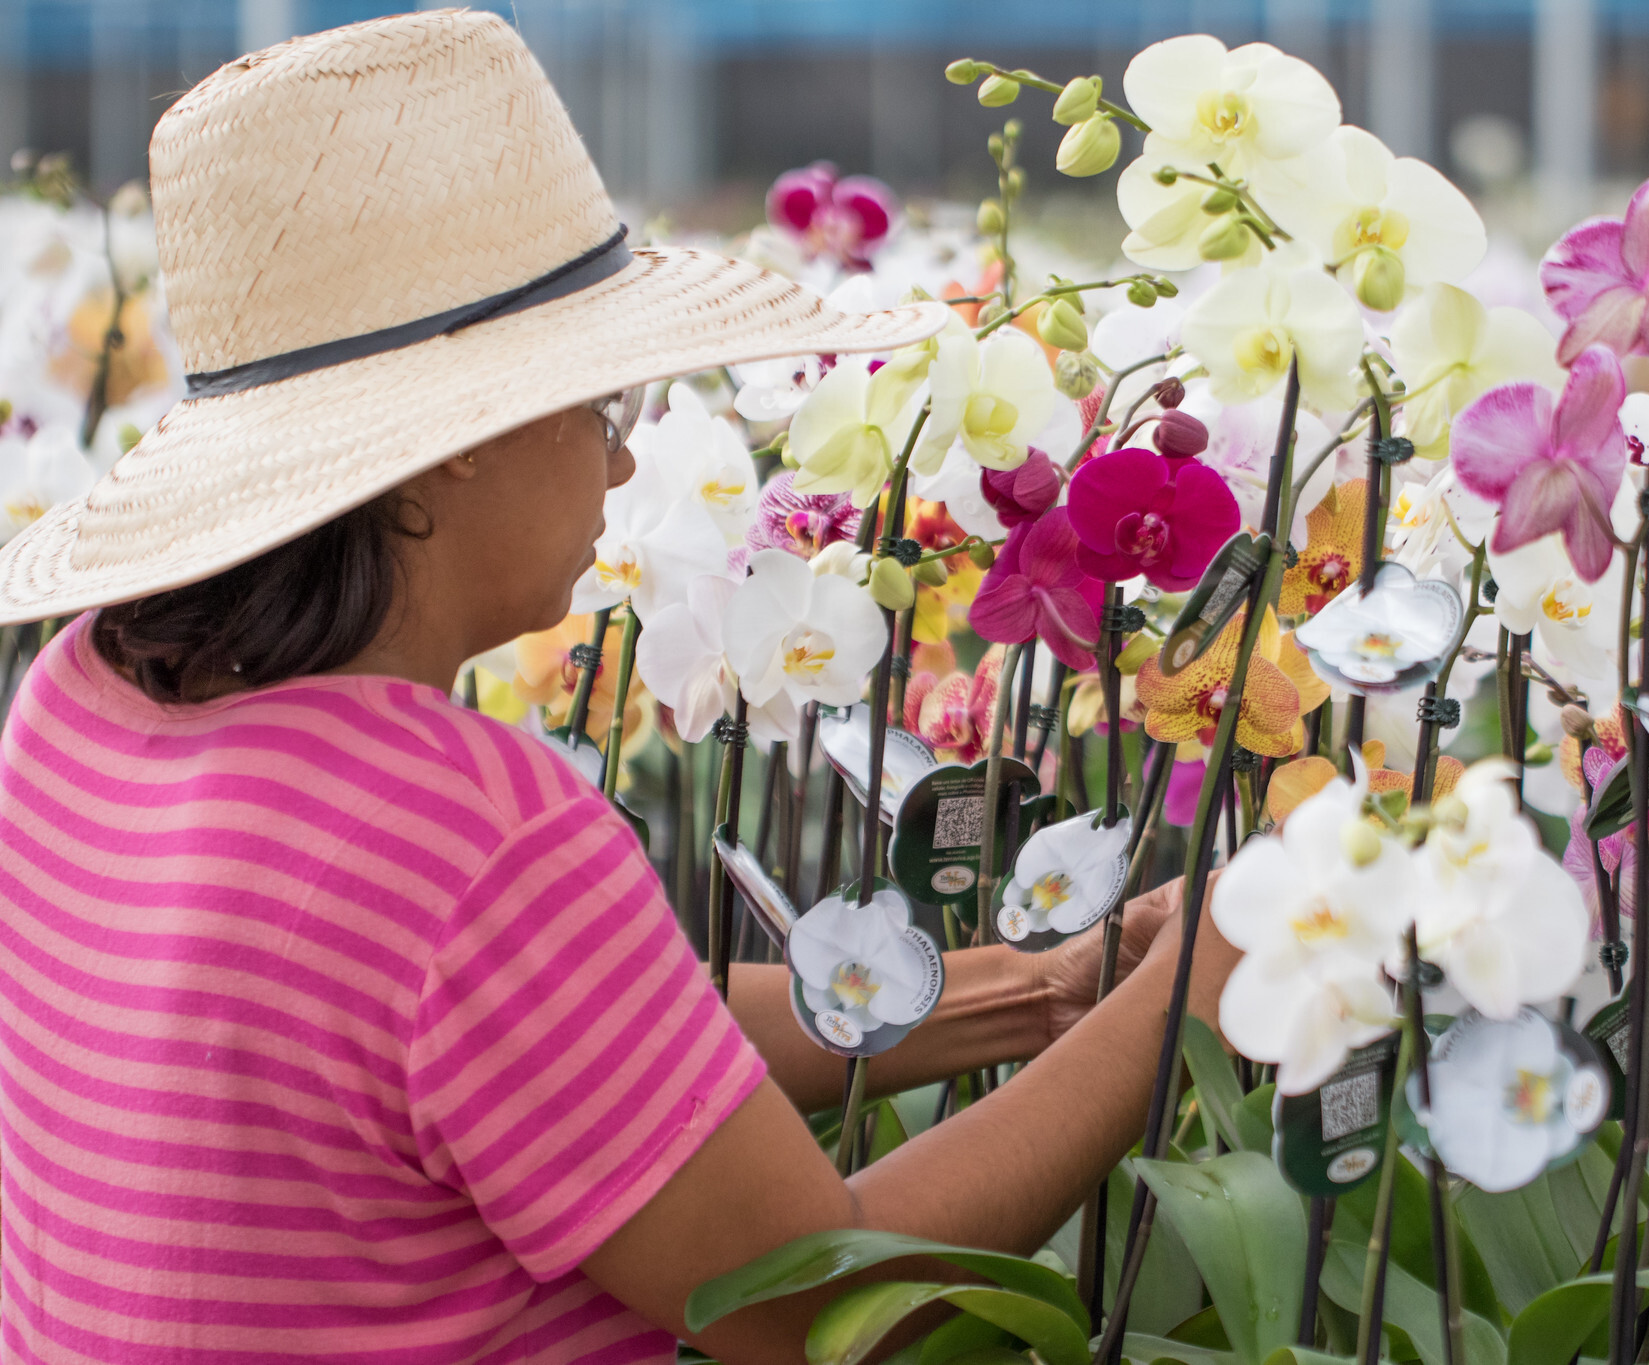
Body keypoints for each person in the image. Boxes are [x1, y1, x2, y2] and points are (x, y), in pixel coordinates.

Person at [0, 11, 1239, 1364]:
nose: (625, 472)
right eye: (604, 411)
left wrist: (1041, 991)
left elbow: (580, 1051)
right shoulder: (467, 837)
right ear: (454, 445)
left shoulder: (82, 696)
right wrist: (1181, 1007)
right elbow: (816, 1306)